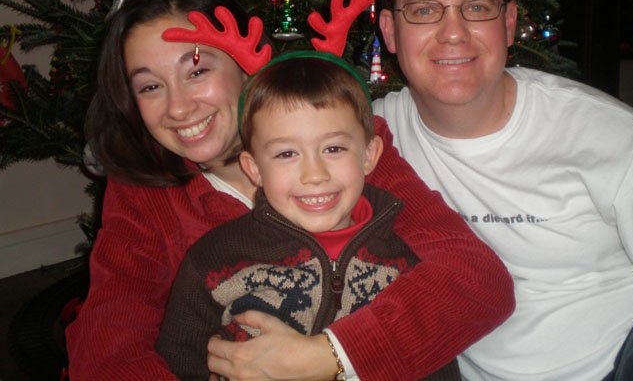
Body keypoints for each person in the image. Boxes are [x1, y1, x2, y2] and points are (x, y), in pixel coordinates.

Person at [65, 0, 514, 380]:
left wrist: (330, 356)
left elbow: (476, 281)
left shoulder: (346, 149)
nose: (178, 108)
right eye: (149, 86)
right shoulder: (145, 192)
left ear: (246, 69)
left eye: (197, 70)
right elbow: (107, 349)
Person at [373, 0, 633, 380]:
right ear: (390, 32)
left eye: (477, 7)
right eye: (425, 10)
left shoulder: (618, 141)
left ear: (509, 24)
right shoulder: (368, 137)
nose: (453, 32)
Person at [156, 52, 460, 380]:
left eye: (333, 149)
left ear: (369, 155)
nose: (313, 174)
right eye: (287, 154)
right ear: (254, 168)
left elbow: (435, 362)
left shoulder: (408, 266)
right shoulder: (213, 259)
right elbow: (178, 360)